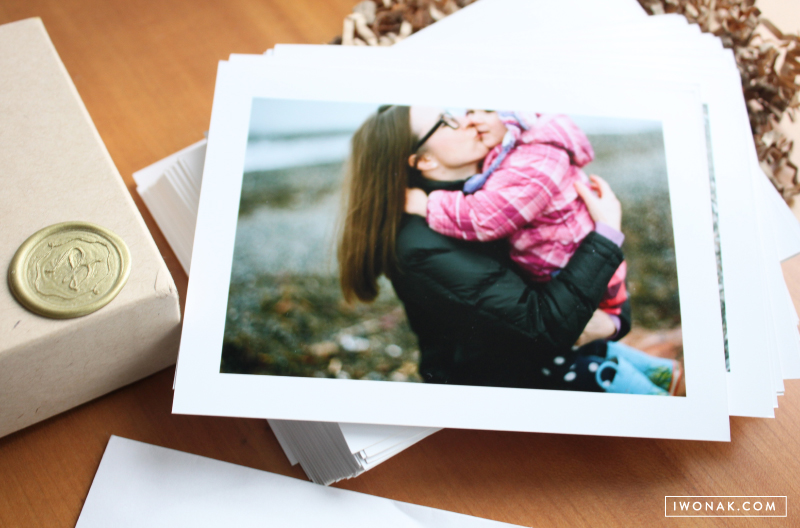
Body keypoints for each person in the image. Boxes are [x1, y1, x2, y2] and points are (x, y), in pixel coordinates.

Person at [338, 105, 682, 394]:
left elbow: (558, 266)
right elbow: (543, 327)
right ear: (423, 162)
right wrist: (606, 237)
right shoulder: (421, 246)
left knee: (676, 382)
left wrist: (615, 320)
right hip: (509, 385)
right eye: (447, 120)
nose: (468, 119)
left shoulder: (492, 193)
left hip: (555, 354)